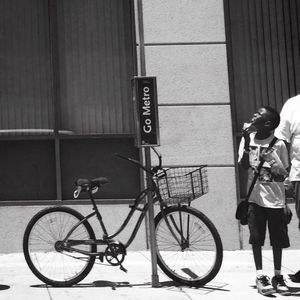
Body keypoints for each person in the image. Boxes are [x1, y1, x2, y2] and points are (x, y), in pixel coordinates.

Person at [238, 106, 291, 296]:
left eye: (258, 115)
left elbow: (283, 173)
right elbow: (244, 166)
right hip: (254, 199)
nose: (253, 115)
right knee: (256, 238)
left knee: (277, 239)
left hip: (275, 200)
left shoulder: (279, 144)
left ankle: (277, 275)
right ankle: (260, 275)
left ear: (267, 123)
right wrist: (245, 142)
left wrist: (285, 203)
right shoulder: (249, 140)